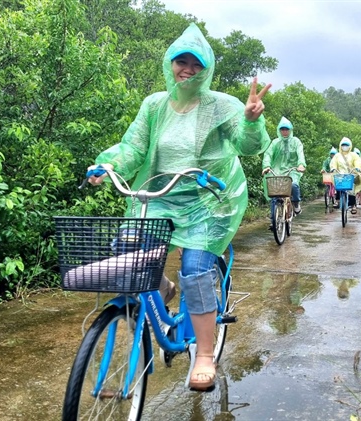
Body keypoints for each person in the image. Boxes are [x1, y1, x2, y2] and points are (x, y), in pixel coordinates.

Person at [87, 23, 272, 391]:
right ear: (169, 64)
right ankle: (164, 287)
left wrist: (251, 121)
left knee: (197, 270)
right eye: (180, 61)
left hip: (210, 200)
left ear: (207, 69)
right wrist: (108, 166)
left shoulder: (222, 105)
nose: (187, 69)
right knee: (127, 249)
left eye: (195, 64)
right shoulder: (154, 105)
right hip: (162, 195)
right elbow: (133, 147)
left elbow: (248, 144)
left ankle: (203, 355)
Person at [261, 116, 306, 215]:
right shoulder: (275, 143)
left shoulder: (296, 142)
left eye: (286, 129)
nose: (284, 131)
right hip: (277, 171)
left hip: (293, 170)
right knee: (274, 191)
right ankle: (274, 216)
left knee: (294, 185)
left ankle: (296, 203)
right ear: (279, 130)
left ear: (290, 130)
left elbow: (300, 154)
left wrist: (301, 165)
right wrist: (266, 166)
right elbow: (268, 154)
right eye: (282, 129)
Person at [330, 137, 361, 214]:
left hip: (350, 174)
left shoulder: (353, 155)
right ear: (340, 146)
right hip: (340, 174)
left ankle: (353, 205)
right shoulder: (337, 156)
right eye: (343, 145)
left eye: (346, 145)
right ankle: (338, 201)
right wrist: (333, 168)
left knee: (351, 189)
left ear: (350, 146)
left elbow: (357, 162)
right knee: (338, 186)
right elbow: (333, 163)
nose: (344, 147)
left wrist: (358, 168)